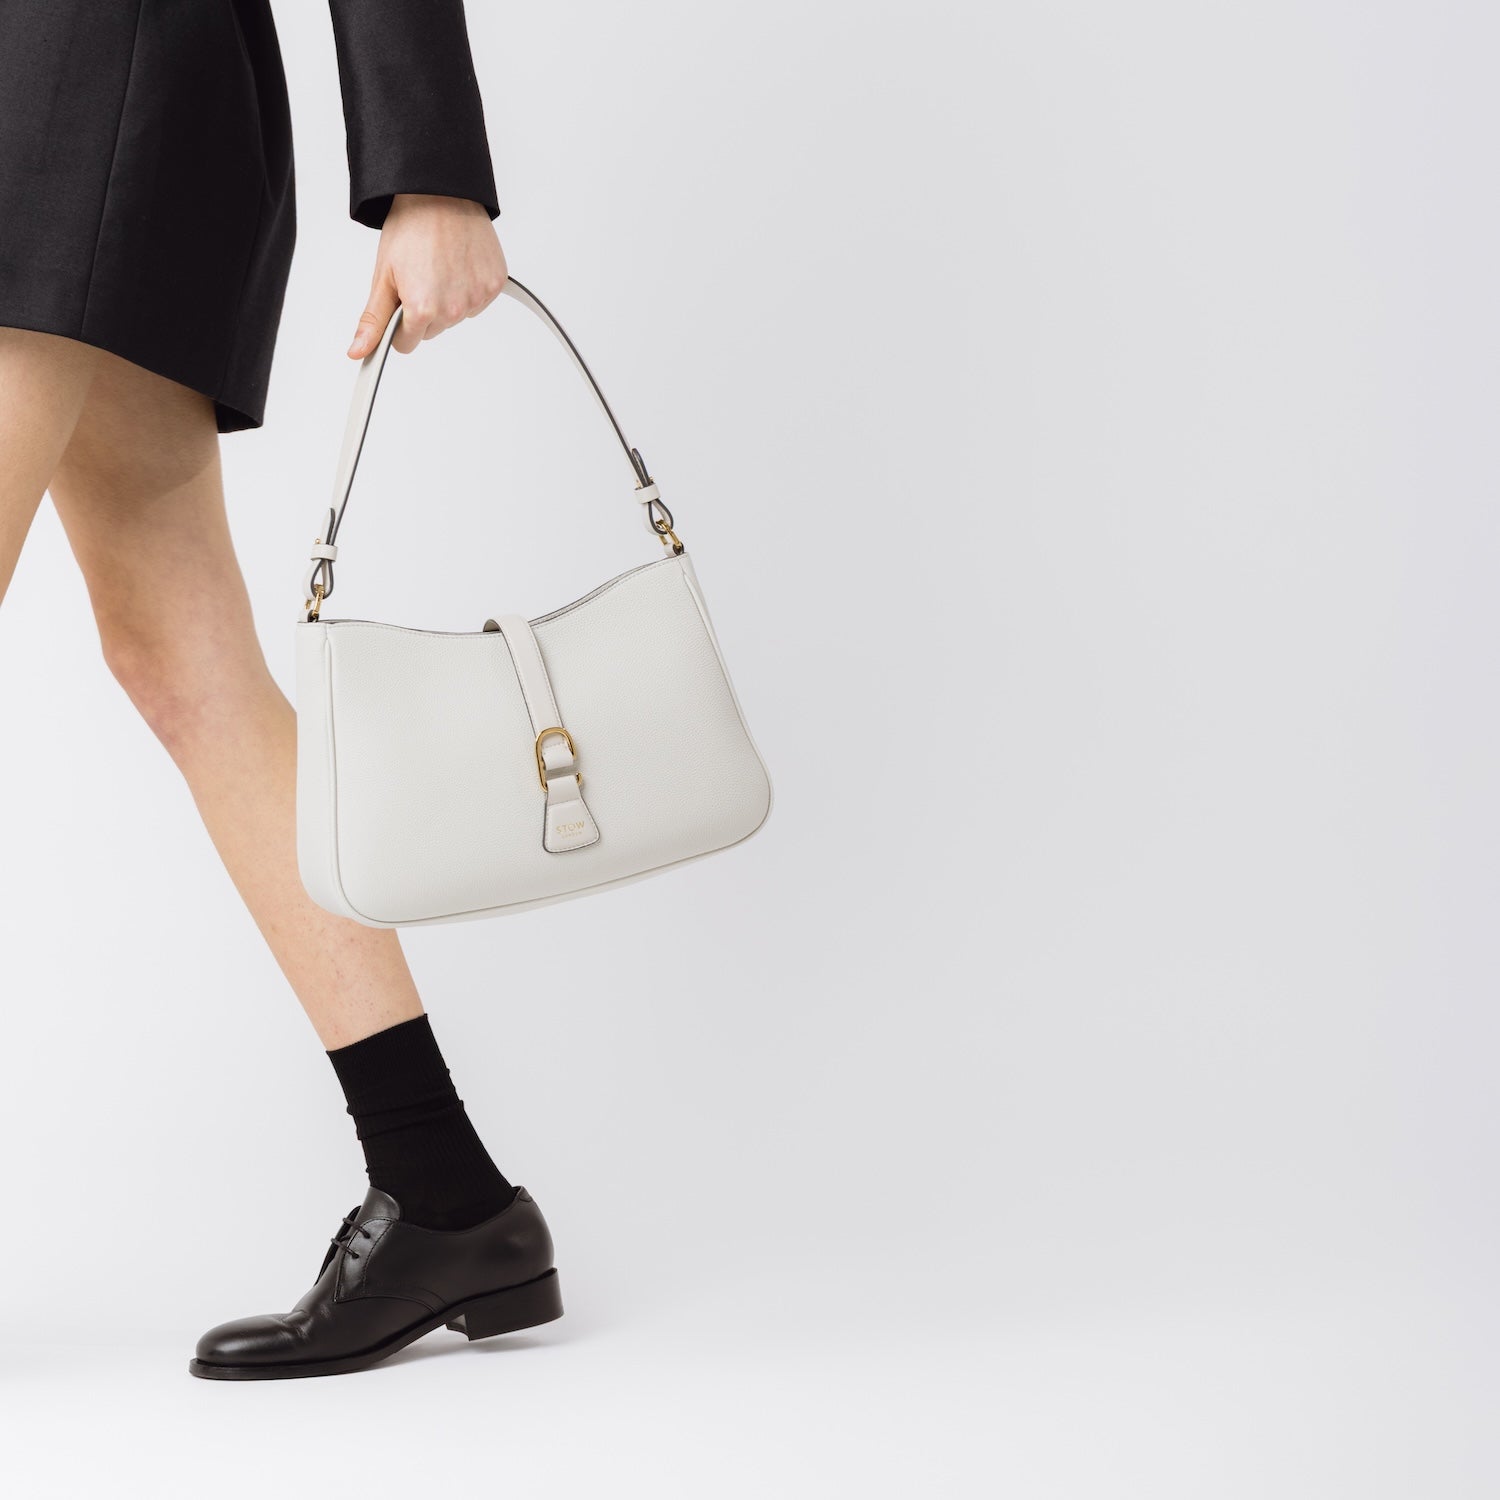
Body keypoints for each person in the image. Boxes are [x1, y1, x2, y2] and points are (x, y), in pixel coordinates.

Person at [0, 0, 561, 1380]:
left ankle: (445, 1192)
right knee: (182, 660)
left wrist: (430, 163)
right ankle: (444, 1191)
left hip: (80, 73)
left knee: (186, 655)